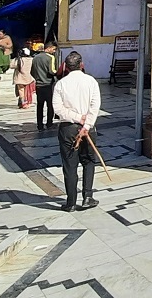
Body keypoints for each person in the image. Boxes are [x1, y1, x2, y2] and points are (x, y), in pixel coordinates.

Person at [52, 51, 101, 212]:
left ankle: (71, 202)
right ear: (82, 65)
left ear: (66, 66)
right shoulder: (91, 81)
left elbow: (58, 109)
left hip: (68, 128)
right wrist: (86, 124)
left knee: (70, 165)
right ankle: (87, 196)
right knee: (88, 161)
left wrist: (76, 117)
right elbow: (95, 106)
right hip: (87, 127)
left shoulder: (61, 84)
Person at [31, 41, 60, 130]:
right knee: (50, 105)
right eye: (54, 49)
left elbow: (32, 72)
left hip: (39, 85)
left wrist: (38, 78)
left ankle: (39, 124)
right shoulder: (50, 57)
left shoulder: (35, 58)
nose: (54, 51)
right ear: (49, 48)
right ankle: (49, 123)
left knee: (40, 105)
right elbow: (52, 71)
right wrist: (59, 73)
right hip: (48, 85)